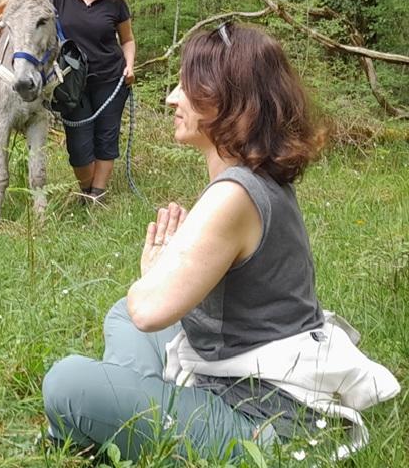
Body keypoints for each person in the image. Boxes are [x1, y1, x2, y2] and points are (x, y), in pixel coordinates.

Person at [42, 23, 399, 461]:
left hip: (260, 418)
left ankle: (131, 424)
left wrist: (153, 272)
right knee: (121, 318)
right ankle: (136, 416)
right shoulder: (257, 176)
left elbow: (149, 308)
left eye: (186, 88)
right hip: (249, 369)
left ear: (226, 102)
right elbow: (142, 313)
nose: (172, 97)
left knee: (66, 383)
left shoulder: (234, 195)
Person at [51, 0, 135, 203]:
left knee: (106, 137)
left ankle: (96, 196)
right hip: (71, 82)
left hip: (111, 79)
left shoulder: (115, 4)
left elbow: (128, 40)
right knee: (78, 143)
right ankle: (87, 190)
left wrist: (130, 65)